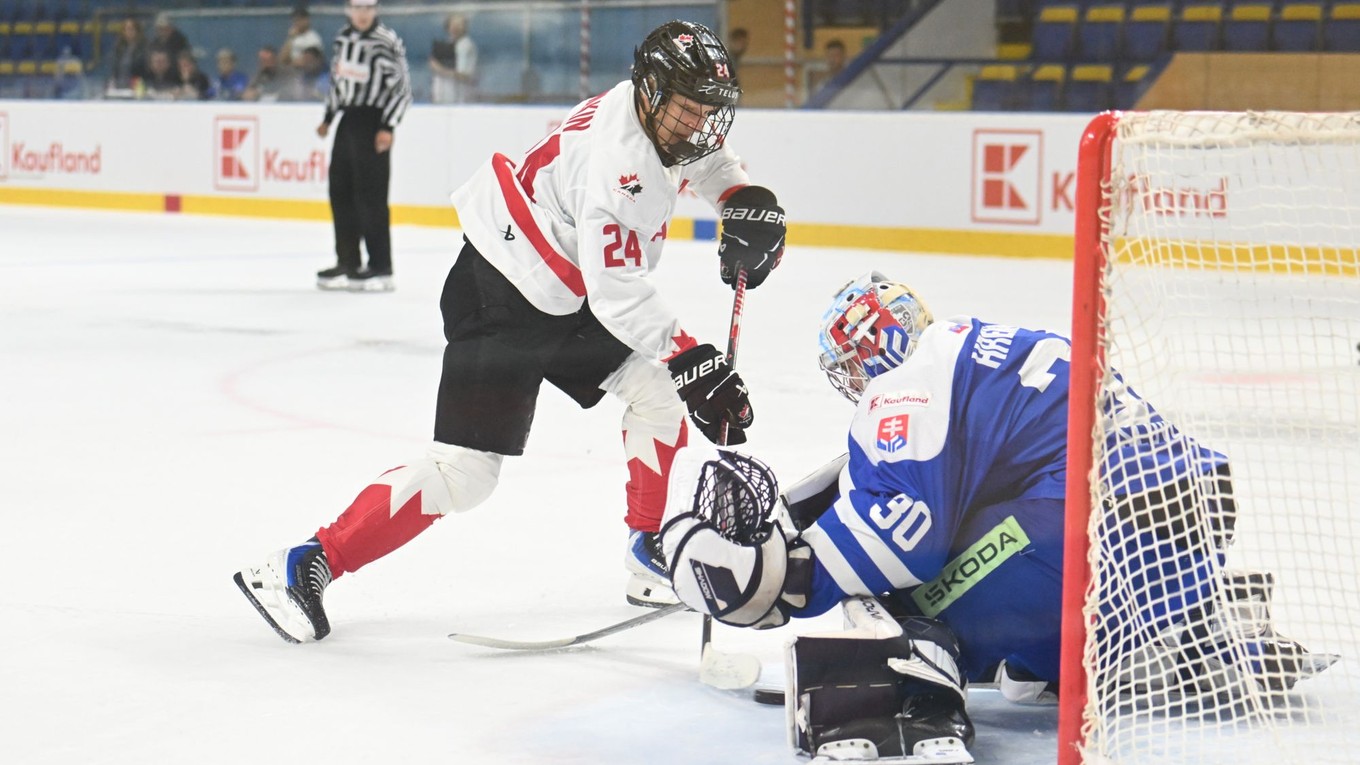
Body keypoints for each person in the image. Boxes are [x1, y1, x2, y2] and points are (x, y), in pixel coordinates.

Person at [233, 20, 787, 645]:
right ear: (653, 91)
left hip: (561, 284)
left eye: (706, 111)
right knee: (464, 475)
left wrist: (742, 195)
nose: (698, 124)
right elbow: (619, 294)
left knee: (656, 389)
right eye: (687, 109)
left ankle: (648, 549)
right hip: (502, 290)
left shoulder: (653, 111)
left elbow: (706, 158)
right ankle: (305, 563)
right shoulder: (617, 169)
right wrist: (697, 361)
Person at [657, 272, 1339, 762]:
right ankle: (1173, 637)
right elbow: (950, 474)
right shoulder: (974, 343)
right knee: (1011, 594)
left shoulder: (901, 387)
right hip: (1189, 514)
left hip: (1101, 537)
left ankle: (921, 698)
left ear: (857, 363)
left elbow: (907, 536)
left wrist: (786, 579)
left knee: (909, 596)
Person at [310, 0, 411, 292]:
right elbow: (337, 81)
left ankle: (381, 266)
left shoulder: (385, 41)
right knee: (340, 191)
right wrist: (329, 116)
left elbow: (402, 88)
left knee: (371, 195)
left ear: (376, 10)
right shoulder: (344, 38)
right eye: (357, 7)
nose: (362, 13)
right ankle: (349, 261)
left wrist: (387, 126)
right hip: (348, 120)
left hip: (373, 121)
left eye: (368, 7)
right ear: (348, 10)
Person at [429, 12, 478, 105]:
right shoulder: (447, 44)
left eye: (459, 25)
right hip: (442, 96)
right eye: (453, 25)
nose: (455, 28)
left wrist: (441, 70)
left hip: (460, 98)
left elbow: (465, 75)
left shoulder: (466, 46)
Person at [105, 17, 147, 94]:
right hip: (119, 86)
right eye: (126, 29)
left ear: (137, 31)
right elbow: (113, 68)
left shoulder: (144, 48)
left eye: (131, 29)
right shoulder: (118, 48)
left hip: (137, 87)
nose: (129, 32)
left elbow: (143, 68)